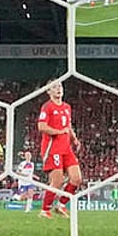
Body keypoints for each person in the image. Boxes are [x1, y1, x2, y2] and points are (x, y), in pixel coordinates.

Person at [38, 79, 82, 219]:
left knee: (76, 179)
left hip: (66, 148)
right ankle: (45, 210)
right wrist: (58, 131)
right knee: (57, 181)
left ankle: (61, 205)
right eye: (55, 87)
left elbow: (68, 126)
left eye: (60, 86)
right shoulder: (47, 107)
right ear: (48, 91)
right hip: (52, 149)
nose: (58, 89)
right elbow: (41, 126)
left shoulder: (67, 107)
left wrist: (74, 138)